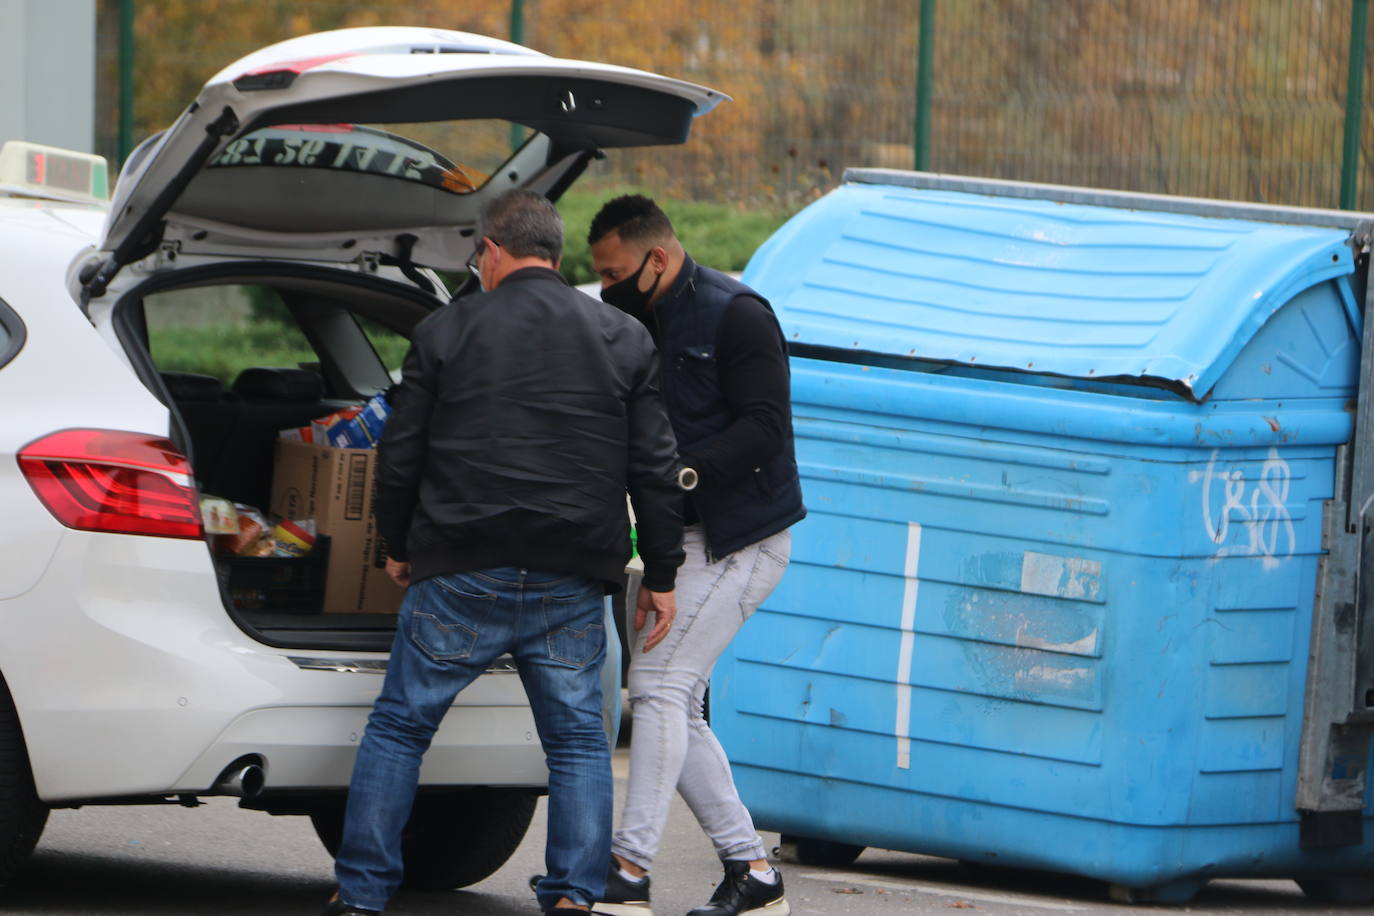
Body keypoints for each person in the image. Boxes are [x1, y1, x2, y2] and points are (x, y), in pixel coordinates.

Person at [322, 189, 685, 916]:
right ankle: (575, 897)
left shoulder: (445, 330)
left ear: (491, 251)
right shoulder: (623, 338)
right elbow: (655, 467)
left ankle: (362, 896)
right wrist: (665, 574)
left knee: (400, 727)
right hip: (574, 572)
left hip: (461, 563)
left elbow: (401, 455)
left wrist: (398, 546)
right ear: (553, 254)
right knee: (581, 742)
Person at [588, 195, 805, 916]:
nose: (607, 285)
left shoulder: (737, 313)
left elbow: (766, 428)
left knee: (656, 693)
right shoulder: (635, 316)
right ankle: (754, 872)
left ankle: (629, 869)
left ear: (657, 258)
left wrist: (680, 472)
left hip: (740, 537)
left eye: (615, 270)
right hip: (674, 540)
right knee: (678, 705)